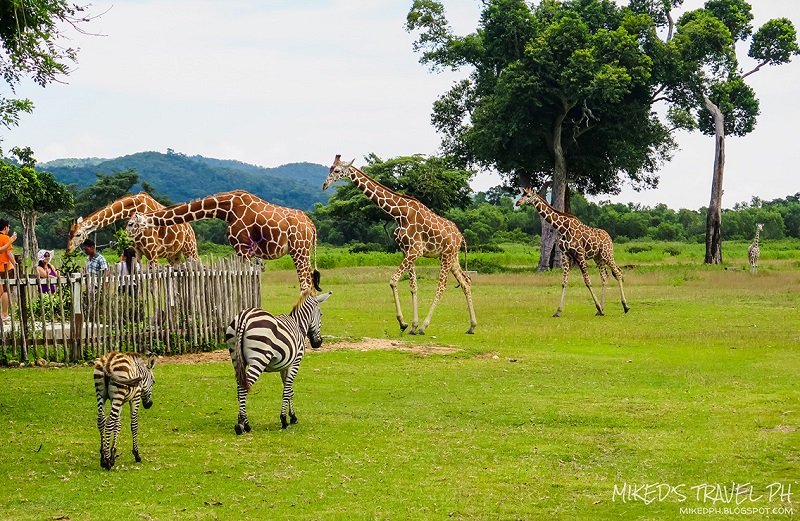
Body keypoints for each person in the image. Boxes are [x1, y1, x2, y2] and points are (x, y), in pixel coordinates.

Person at [0, 219, 18, 321]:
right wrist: (15, 264)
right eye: (8, 227)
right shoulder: (6, 238)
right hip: (6, 267)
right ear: (5, 227)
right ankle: (4, 313)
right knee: (6, 291)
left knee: (1, 290)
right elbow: (8, 253)